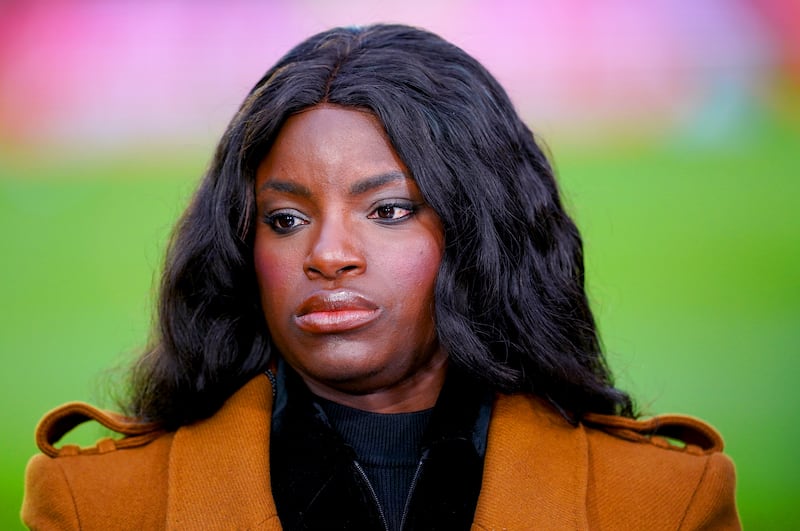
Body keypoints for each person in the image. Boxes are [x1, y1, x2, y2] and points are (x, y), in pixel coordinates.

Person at [22, 24, 740, 530]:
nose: (328, 254)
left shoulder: (665, 500)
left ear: (477, 232)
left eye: (389, 209)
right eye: (285, 219)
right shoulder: (96, 503)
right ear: (243, 244)